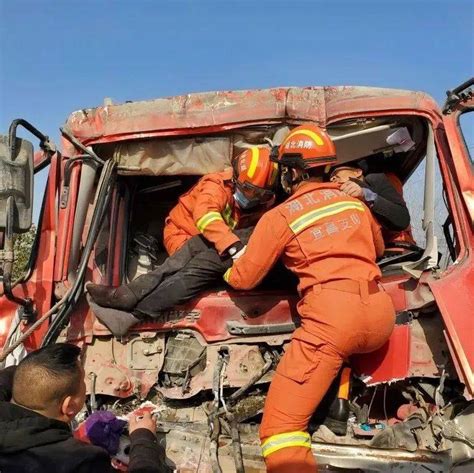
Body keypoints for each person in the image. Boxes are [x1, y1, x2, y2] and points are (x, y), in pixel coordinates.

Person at [223, 124, 396, 473]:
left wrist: (225, 268)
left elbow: (245, 278)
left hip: (332, 323)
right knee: (340, 356)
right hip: (380, 315)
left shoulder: (281, 216)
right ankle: (337, 406)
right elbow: (376, 248)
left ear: (291, 172)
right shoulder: (353, 201)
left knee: (281, 431)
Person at [86, 147, 279, 336]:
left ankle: (133, 309)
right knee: (186, 259)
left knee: (197, 268)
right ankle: (128, 296)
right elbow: (206, 215)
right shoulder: (217, 185)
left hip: (216, 245)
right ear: (236, 179)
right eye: (249, 190)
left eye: (261, 194)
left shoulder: (265, 204)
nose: (253, 198)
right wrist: (234, 247)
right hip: (185, 234)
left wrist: (234, 248)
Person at [0, 343, 167, 473]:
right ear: (69, 406)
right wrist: (143, 437)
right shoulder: (79, 461)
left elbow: (13, 374)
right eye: (83, 381)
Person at [328, 161, 415, 246]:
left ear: (357, 172)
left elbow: (402, 219)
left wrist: (365, 194)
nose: (332, 178)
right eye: (330, 177)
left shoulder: (374, 180)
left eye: (336, 171)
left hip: (394, 246)